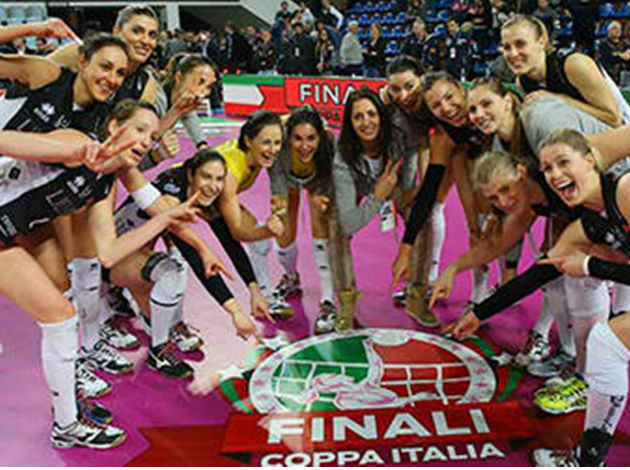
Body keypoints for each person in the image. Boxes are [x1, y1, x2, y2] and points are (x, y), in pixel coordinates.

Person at [391, 72, 490, 323]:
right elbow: (429, 191)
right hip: (466, 154)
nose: (445, 108)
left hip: (504, 157)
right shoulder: (443, 135)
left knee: (491, 216)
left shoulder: (486, 106)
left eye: (449, 97)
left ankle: (499, 284)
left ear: (461, 88)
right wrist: (406, 248)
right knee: (468, 218)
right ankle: (463, 292)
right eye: (436, 105)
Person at [331, 88, 409, 330]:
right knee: (337, 229)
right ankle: (346, 300)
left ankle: (417, 291)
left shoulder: (396, 138)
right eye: (358, 117)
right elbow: (350, 224)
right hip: (363, 187)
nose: (366, 122)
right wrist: (377, 196)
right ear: (349, 122)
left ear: (381, 115)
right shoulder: (342, 156)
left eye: (371, 114)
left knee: (422, 216)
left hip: (394, 185)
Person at [382, 56, 441, 326]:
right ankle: (416, 283)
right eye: (395, 89)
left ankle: (420, 289)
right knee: (411, 218)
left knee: (427, 216)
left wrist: (423, 187)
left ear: (421, 79)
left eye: (409, 86)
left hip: (432, 151)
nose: (403, 95)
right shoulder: (389, 104)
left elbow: (428, 144)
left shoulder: (433, 98)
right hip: (395, 160)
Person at [212, 111, 290, 317]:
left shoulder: (252, 152)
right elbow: (236, 233)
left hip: (208, 201)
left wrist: (310, 117)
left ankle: (266, 298)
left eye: (277, 142)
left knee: (260, 243)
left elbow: (281, 120)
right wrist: (267, 230)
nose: (273, 150)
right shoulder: (231, 171)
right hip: (174, 200)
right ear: (248, 140)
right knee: (176, 265)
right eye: (266, 143)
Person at [267, 107, 336, 333]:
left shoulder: (329, 145)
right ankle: (290, 278)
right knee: (283, 230)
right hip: (287, 181)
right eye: (297, 138)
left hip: (319, 180)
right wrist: (279, 210)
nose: (304, 146)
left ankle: (328, 300)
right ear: (288, 138)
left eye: (310, 138)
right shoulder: (278, 148)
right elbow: (276, 182)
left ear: (320, 137)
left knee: (320, 217)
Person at [500, 14, 630, 127]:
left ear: (541, 41)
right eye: (506, 47)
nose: (513, 54)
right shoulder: (523, 82)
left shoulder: (574, 64)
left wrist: (558, 99)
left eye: (520, 44)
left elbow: (614, 118)